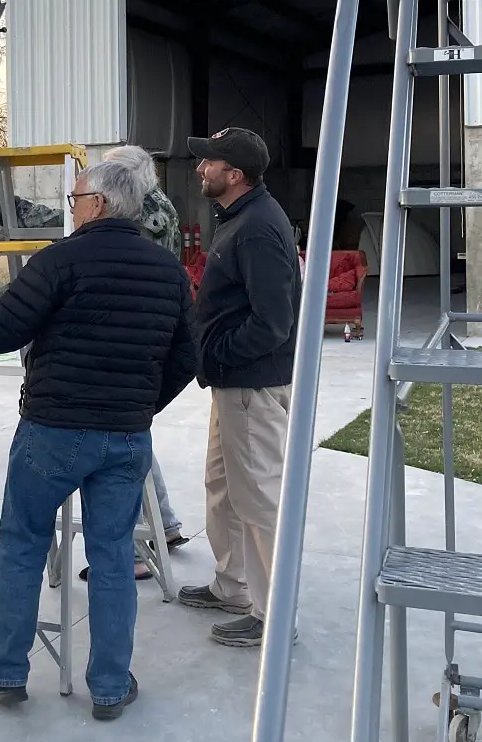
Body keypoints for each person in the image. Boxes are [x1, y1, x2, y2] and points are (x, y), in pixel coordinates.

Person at [0, 159, 197, 720]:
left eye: (74, 196)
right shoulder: (168, 271)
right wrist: (140, 406)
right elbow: (185, 358)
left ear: (98, 202)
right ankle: (109, 686)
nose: (71, 205)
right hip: (125, 440)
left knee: (22, 545)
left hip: (52, 432)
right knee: (114, 557)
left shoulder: (60, 261)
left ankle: (6, 672)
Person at [0, 146, 190, 578]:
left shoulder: (136, 218)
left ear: (112, 190)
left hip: (85, 390)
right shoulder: (154, 217)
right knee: (125, 449)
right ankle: (165, 525)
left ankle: (144, 543)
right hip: (127, 385)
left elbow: (38, 227)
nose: (77, 196)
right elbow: (185, 353)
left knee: (28, 537)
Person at [177, 127, 301, 648]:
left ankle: (273, 617)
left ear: (236, 174)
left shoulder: (255, 229)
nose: (200, 168)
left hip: (251, 387)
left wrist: (218, 353)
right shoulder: (237, 219)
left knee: (259, 502)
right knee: (223, 490)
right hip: (231, 388)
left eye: (210, 162)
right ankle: (232, 586)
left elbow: (274, 322)